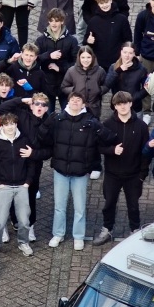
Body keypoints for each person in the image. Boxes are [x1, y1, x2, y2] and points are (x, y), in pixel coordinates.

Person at [37, 91, 116, 251]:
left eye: (78, 100)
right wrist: (46, 124)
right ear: (68, 102)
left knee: (80, 207)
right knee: (59, 206)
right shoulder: (58, 119)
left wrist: (98, 128)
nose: (74, 102)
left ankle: (78, 236)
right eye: (72, 100)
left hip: (80, 172)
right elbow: (43, 139)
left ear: (83, 104)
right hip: (60, 171)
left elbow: (108, 138)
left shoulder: (90, 121)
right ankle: (58, 234)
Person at [93, 91, 150, 246]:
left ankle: (135, 230)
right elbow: (98, 147)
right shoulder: (107, 125)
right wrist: (112, 150)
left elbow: (146, 152)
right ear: (115, 106)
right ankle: (107, 230)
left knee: (133, 205)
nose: (122, 106)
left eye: (125, 103)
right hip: (112, 174)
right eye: (119, 104)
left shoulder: (141, 126)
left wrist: (142, 175)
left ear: (131, 104)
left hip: (133, 175)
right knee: (109, 203)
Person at [0, 93, 50, 242]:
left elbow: (50, 150)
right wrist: (21, 99)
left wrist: (33, 153)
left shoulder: (49, 123)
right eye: (37, 104)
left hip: (34, 163)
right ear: (31, 105)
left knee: (31, 196)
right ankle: (13, 221)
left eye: (43, 105)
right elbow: (2, 108)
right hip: (15, 161)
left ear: (46, 108)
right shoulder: (21, 115)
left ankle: (30, 226)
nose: (39, 107)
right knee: (11, 192)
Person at [0, 113, 35, 258]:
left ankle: (23, 242)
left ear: (16, 125)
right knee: (0, 221)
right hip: (4, 187)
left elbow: (31, 162)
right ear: (2, 126)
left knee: (24, 221)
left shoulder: (24, 141)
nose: (10, 127)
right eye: (7, 124)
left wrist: (27, 182)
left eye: (12, 124)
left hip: (21, 186)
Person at [36, 8, 79, 111]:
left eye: (57, 20)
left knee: (67, 114)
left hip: (65, 84)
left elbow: (76, 63)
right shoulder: (40, 40)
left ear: (62, 21)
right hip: (47, 84)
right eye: (51, 20)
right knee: (48, 115)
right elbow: (34, 60)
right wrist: (49, 56)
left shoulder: (72, 41)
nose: (54, 23)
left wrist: (60, 68)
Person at [83, 0, 132, 73]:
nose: (104, 5)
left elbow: (128, 40)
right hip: (99, 64)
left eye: (106, 2)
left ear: (111, 0)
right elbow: (86, 43)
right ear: (98, 4)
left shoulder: (121, 19)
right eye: (101, 3)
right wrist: (89, 41)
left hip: (118, 62)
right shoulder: (93, 21)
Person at [61, 46, 108, 120]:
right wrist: (74, 90)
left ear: (92, 57)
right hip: (77, 108)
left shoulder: (100, 71)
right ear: (79, 58)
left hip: (94, 108)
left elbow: (106, 85)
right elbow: (64, 87)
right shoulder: (71, 71)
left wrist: (99, 90)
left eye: (88, 57)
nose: (86, 60)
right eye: (83, 57)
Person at [104, 43, 147, 115]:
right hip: (117, 106)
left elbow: (146, 88)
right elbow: (107, 84)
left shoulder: (141, 69)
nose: (127, 55)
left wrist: (133, 98)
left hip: (135, 107)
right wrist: (119, 70)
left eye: (130, 53)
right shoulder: (114, 67)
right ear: (121, 52)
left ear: (134, 54)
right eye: (125, 52)